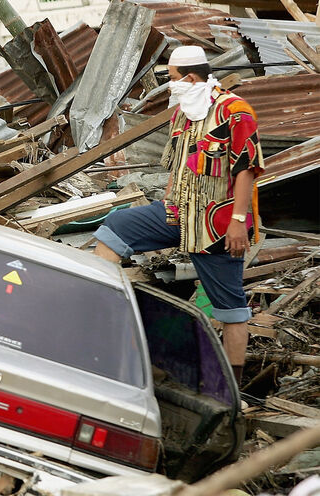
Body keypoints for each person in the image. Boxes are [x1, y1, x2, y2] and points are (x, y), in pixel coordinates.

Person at [93, 45, 263, 385]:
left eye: (172, 79)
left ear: (189, 77)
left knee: (232, 310)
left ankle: (233, 390)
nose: (170, 86)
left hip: (217, 224)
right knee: (114, 230)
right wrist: (170, 198)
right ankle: (114, 325)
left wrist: (239, 222)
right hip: (178, 214)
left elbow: (246, 169)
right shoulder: (184, 112)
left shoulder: (235, 112)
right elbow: (180, 163)